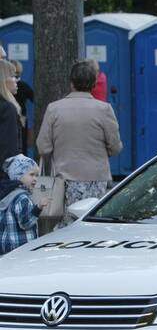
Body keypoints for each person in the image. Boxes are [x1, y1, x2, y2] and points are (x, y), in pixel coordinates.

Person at [36, 60, 123, 225]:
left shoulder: (54, 108)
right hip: (97, 178)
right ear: (94, 83)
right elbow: (115, 147)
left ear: (71, 82)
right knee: (92, 225)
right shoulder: (104, 109)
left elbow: (43, 147)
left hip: (65, 178)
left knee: (67, 226)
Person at [0, 154, 46, 255]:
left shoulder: (6, 194)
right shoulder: (22, 198)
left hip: (6, 248)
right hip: (22, 249)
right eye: (31, 174)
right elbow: (26, 223)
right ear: (18, 174)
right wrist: (38, 207)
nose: (35, 179)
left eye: (36, 175)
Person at [0, 61, 22, 163]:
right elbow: (9, 147)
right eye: (13, 76)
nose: (17, 80)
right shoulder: (7, 108)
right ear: (4, 79)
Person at [11, 60, 32, 153]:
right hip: (21, 119)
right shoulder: (24, 86)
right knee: (22, 147)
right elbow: (34, 97)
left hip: (15, 119)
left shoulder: (4, 86)